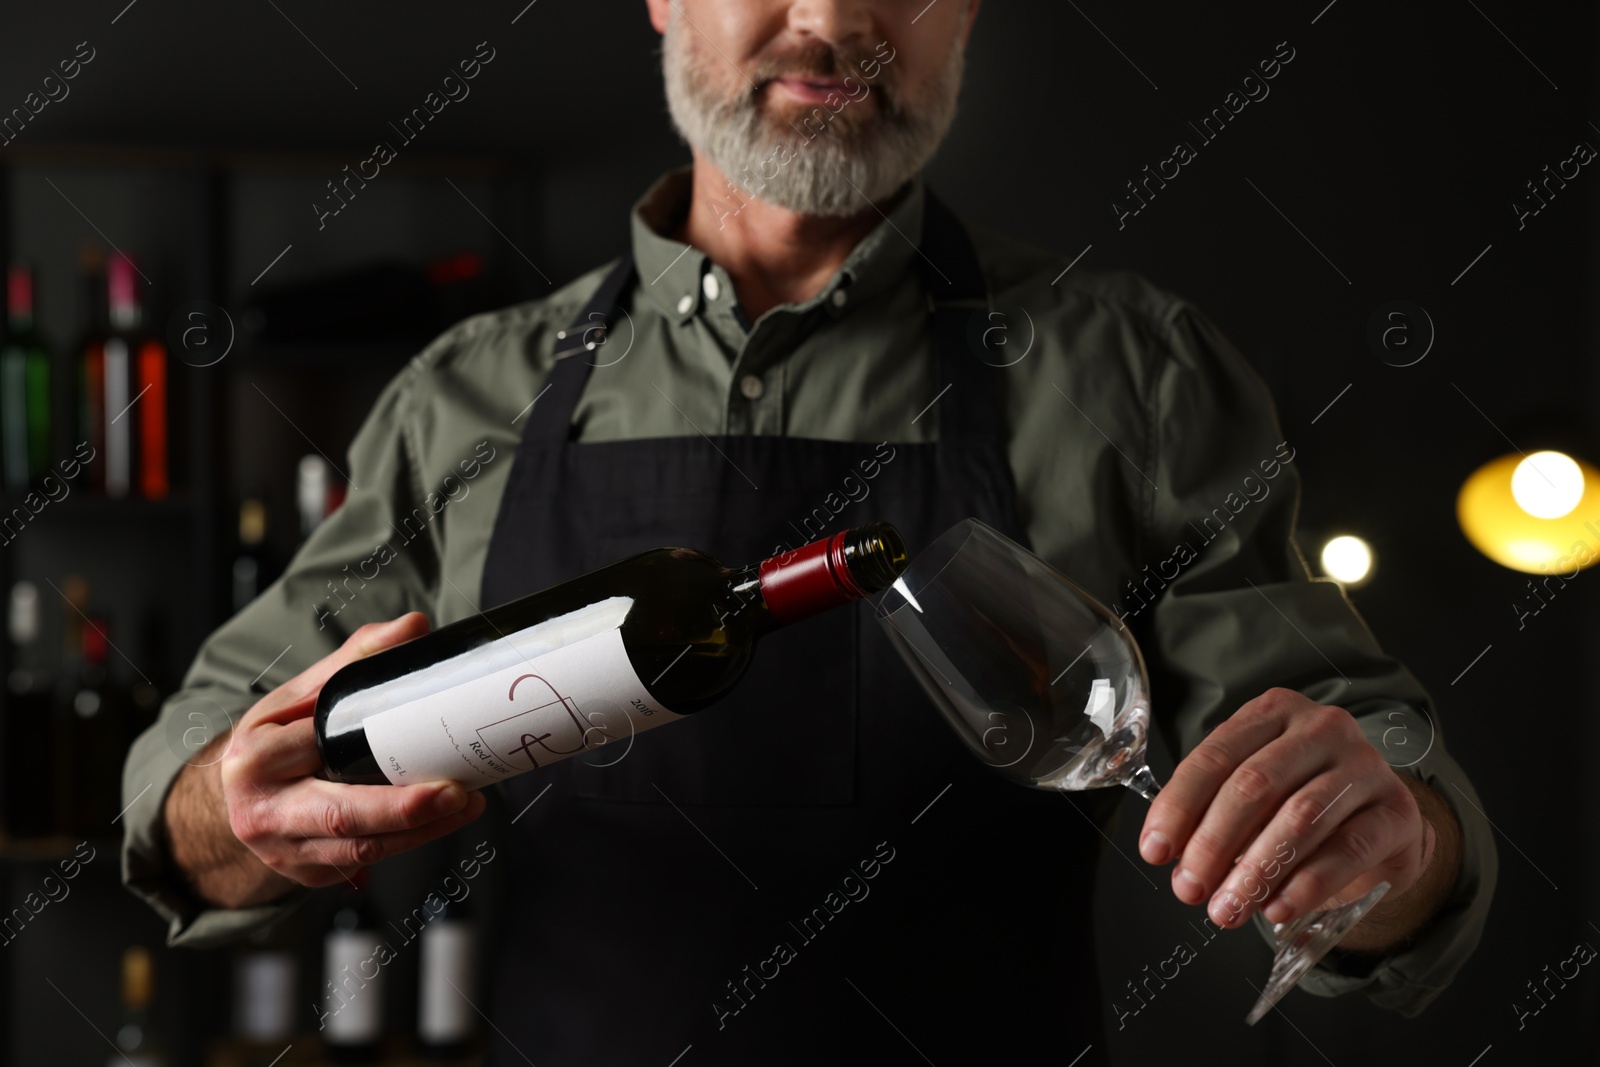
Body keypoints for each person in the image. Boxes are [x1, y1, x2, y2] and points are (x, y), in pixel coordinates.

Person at [122, 1, 1496, 1062]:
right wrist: (232, 813)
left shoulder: (1133, 372)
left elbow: (1382, 816)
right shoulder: (467, 398)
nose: (833, 19)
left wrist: (1390, 841)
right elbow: (189, 794)